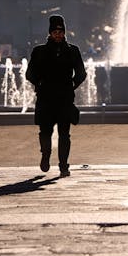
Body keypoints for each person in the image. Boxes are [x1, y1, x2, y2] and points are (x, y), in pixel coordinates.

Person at [26, 14, 87, 178]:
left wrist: (71, 86)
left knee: (64, 134)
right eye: (55, 32)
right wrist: (39, 85)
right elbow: (29, 73)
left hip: (65, 99)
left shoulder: (73, 51)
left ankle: (63, 166)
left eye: (61, 31)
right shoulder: (39, 51)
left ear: (65, 32)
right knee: (45, 132)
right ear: (50, 33)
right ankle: (45, 155)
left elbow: (81, 73)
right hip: (45, 98)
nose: (58, 34)